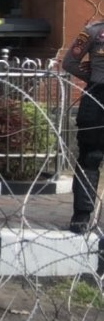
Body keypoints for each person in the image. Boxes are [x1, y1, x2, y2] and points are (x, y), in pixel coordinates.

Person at [60, 20, 104, 233]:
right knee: (91, 155)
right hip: (98, 96)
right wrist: (94, 79)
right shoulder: (94, 32)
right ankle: (82, 214)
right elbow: (69, 62)